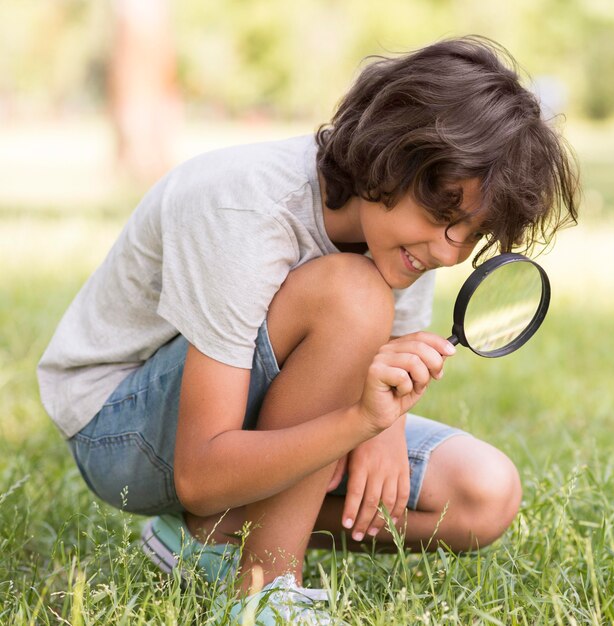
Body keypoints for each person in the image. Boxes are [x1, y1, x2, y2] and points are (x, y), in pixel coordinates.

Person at [37, 36, 578, 624]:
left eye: (470, 235)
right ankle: (264, 590)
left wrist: (382, 427)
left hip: (251, 411)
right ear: (390, 159)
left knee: (483, 494)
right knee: (354, 295)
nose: (450, 254)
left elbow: (376, 362)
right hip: (122, 428)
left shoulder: (403, 237)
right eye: (443, 218)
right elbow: (199, 472)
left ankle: (207, 540)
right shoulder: (246, 209)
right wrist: (360, 422)